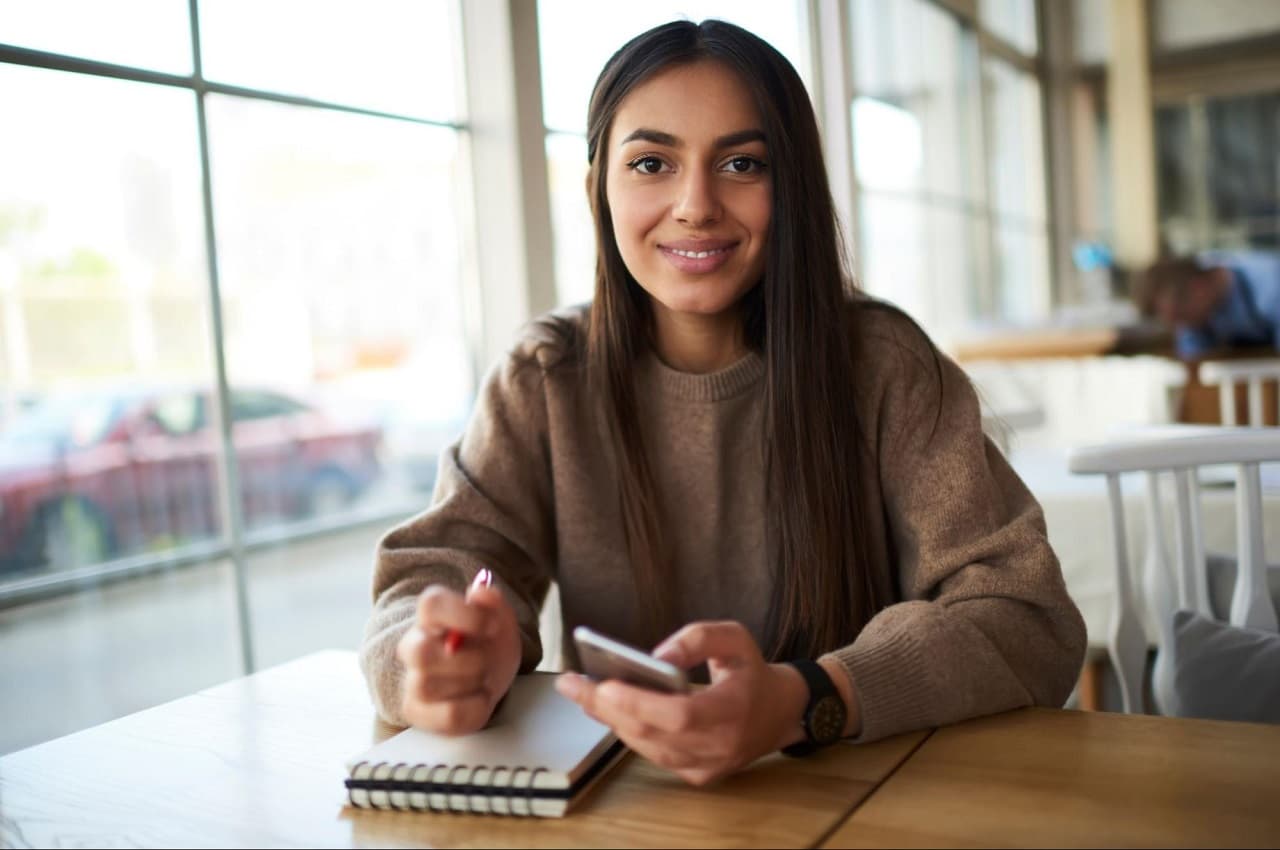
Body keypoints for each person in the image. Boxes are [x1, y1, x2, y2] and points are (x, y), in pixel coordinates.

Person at [360, 19, 1085, 787]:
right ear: (597, 191)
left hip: (864, 797)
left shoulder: (884, 365)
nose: (696, 205)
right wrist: (433, 665)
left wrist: (806, 700)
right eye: (650, 163)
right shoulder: (545, 375)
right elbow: (427, 579)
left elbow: (1026, 619)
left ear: (794, 187)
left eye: (742, 163)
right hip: (626, 814)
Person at [1136, 250, 1280, 358]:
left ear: (1198, 289)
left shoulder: (1271, 285)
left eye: (1182, 316)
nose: (1183, 328)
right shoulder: (1198, 321)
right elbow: (1192, 367)